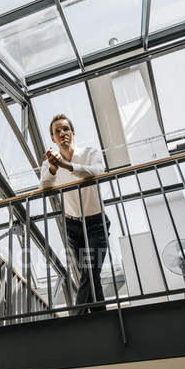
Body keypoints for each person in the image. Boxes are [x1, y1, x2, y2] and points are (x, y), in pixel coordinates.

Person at [40, 114, 110, 315]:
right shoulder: (50, 163)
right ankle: (102, 318)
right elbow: (44, 186)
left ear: (73, 133)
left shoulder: (89, 152)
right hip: (73, 227)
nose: (62, 133)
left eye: (65, 129)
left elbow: (98, 171)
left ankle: (76, 318)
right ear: (53, 139)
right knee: (90, 275)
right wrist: (54, 166)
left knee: (89, 272)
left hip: (96, 223)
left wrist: (67, 166)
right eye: (57, 131)